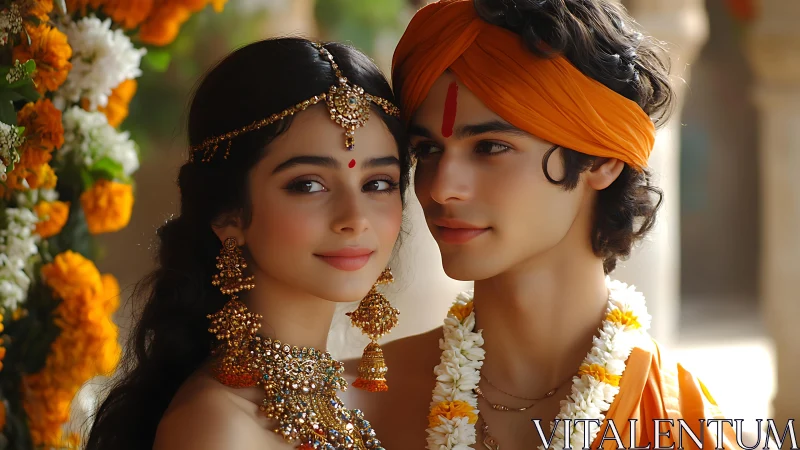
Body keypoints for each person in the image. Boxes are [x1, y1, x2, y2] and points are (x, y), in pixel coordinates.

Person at [347, 1, 737, 449]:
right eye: (428, 151)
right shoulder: (355, 406)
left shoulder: (683, 423)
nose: (440, 188)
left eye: (490, 148)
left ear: (602, 159)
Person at [85, 37, 411, 450]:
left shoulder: (337, 397)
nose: (355, 219)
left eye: (377, 183)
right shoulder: (218, 428)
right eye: (308, 185)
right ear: (227, 215)